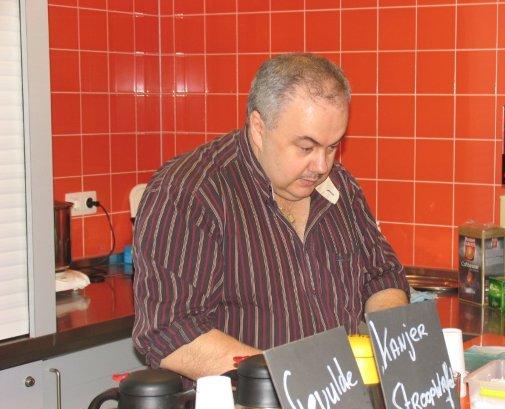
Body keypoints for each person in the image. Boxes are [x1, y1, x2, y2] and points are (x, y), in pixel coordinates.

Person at [132, 53, 409, 380]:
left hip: (338, 400)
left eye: (332, 147)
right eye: (306, 147)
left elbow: (382, 276)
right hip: (244, 407)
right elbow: (170, 332)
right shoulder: (191, 192)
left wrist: (392, 348)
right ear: (259, 128)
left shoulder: (340, 187)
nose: (322, 165)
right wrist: (298, 380)